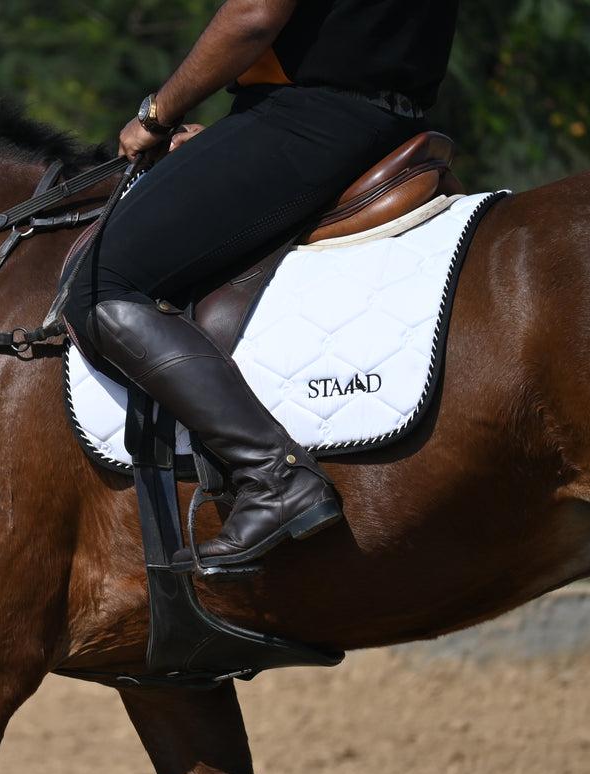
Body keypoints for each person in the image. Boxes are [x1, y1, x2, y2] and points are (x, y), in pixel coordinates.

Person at [66, 0, 459, 578]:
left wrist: (154, 114)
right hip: (388, 119)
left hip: (311, 118)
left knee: (99, 284)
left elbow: (252, 15)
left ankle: (274, 477)